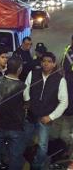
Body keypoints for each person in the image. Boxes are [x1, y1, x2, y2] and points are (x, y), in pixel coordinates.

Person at [24, 52, 68, 170]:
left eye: (49, 61)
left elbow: (64, 102)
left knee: (43, 146)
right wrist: (27, 101)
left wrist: (51, 117)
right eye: (44, 61)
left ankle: (36, 166)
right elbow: (26, 88)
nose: (46, 63)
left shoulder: (60, 80)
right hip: (31, 116)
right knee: (24, 141)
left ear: (54, 64)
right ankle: (22, 161)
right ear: (41, 62)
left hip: (45, 119)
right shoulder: (33, 74)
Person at [0, 57, 26, 170]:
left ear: (7, 67)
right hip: (16, 126)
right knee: (15, 156)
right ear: (19, 69)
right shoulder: (23, 86)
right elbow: (27, 103)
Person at [58, 35, 73, 169]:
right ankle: (67, 153)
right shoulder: (68, 49)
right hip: (68, 104)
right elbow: (62, 66)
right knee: (65, 133)